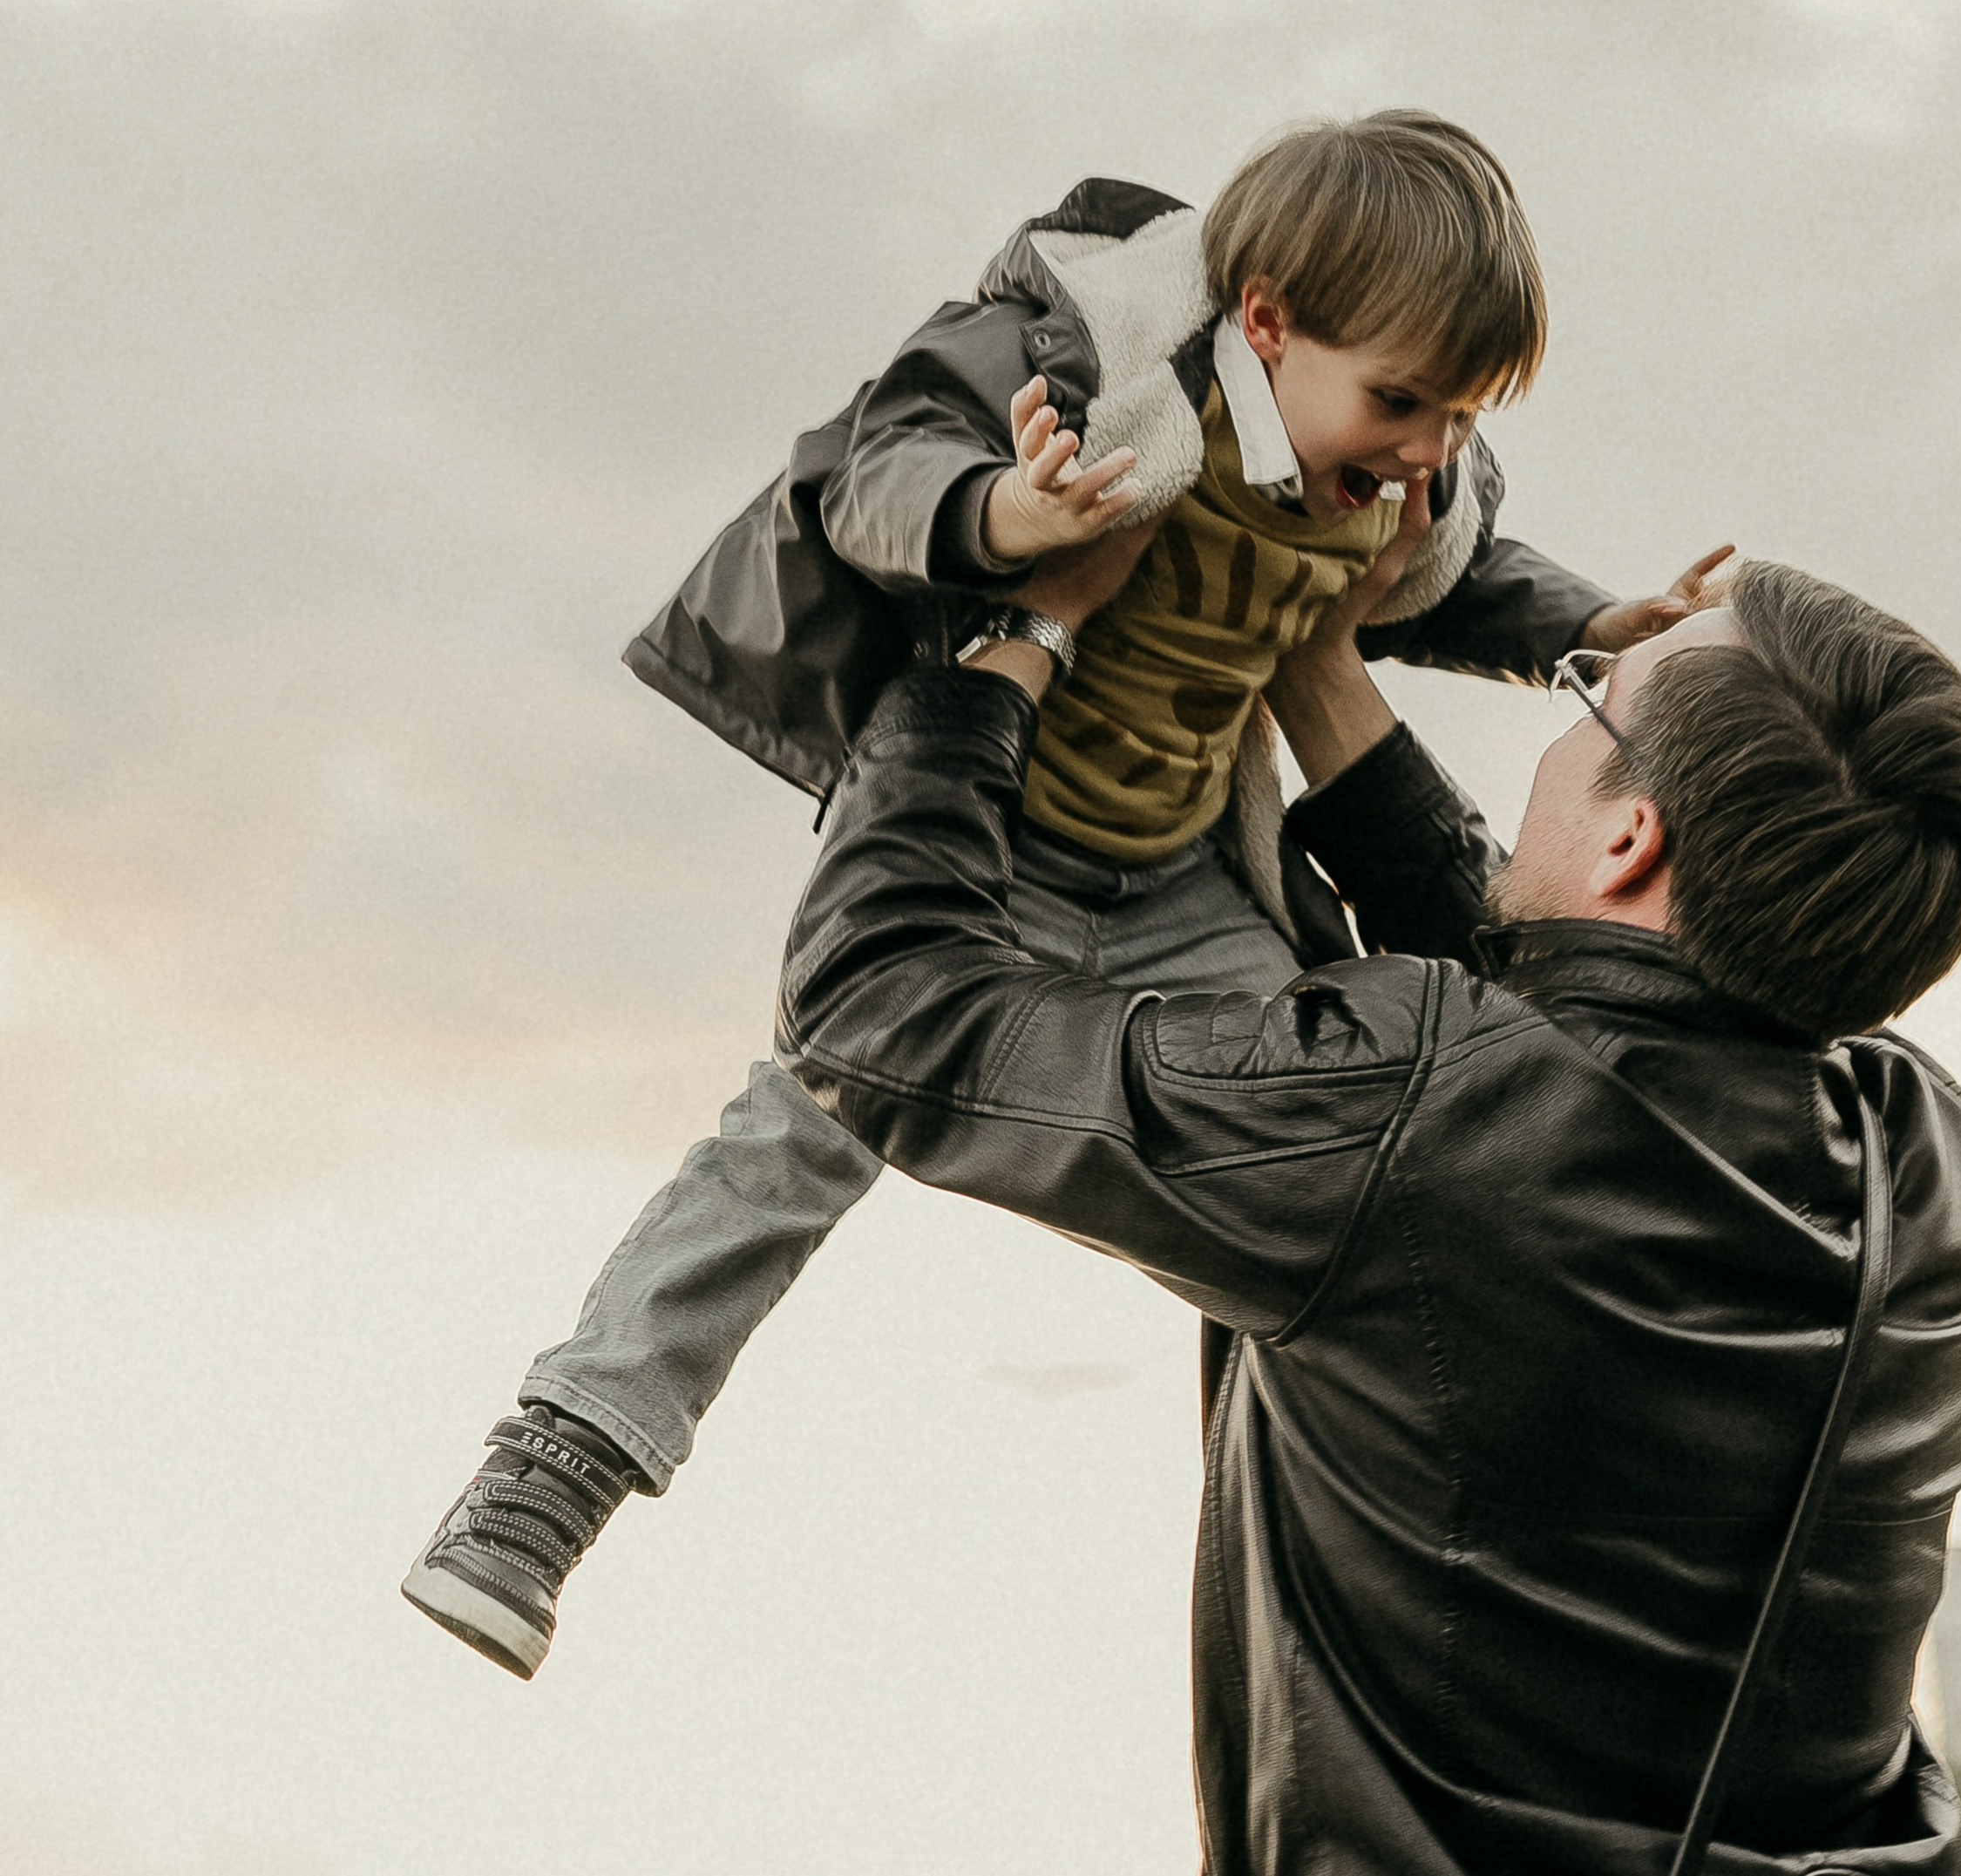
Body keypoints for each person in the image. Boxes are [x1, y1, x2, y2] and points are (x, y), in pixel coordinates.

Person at [404, 112, 1727, 1675]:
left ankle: (1418, 1533)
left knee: (1338, 1148)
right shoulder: (1092, 360)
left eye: (1461, 412)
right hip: (984, 849)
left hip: (1183, 877)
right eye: (1402, 402)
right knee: (806, 1124)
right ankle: (556, 1465)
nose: (1430, 446)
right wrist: (1013, 512)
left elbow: (1462, 580)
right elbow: (878, 469)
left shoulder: (1397, 476)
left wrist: (1594, 624)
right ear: (1268, 321)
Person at [775, 516, 1961, 1875]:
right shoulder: (1927, 1164)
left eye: (1591, 700)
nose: (1561, 729)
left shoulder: (1416, 1115)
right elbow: (1581, 1028)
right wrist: (1316, 662)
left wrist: (1020, 634)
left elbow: (875, 1009)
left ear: (1631, 837)